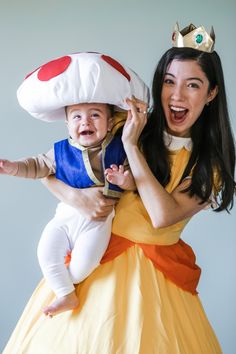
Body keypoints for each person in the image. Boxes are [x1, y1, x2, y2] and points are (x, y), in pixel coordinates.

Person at [3, 23, 235, 354]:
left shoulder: (208, 167)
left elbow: (161, 216)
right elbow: (57, 163)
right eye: (169, 82)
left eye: (193, 85)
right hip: (96, 259)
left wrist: (132, 146)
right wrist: (77, 198)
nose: (177, 96)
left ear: (211, 93)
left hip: (157, 281)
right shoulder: (123, 122)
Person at [0, 52, 148, 317]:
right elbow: (36, 166)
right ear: (67, 124)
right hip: (66, 217)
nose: (86, 122)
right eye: (77, 117)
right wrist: (12, 167)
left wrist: (124, 181)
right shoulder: (59, 152)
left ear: (108, 121)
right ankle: (66, 294)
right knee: (45, 251)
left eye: (94, 115)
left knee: (83, 265)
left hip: (98, 221)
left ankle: (68, 286)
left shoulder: (118, 148)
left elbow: (134, 179)